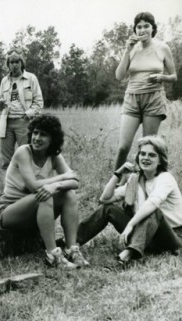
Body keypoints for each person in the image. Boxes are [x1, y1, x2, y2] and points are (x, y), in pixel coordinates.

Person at [0, 114, 89, 269]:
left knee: (69, 194)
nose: (37, 138)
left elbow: (75, 181)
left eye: (43, 135)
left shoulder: (54, 156)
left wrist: (56, 186)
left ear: (53, 139)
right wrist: (61, 178)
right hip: (11, 211)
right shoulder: (23, 152)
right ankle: (53, 255)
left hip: (35, 211)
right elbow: (33, 186)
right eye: (35, 132)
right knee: (44, 196)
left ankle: (72, 249)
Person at [77, 136, 182, 264]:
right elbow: (105, 199)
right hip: (145, 235)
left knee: (153, 210)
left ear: (160, 160)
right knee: (108, 209)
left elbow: (153, 203)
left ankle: (126, 255)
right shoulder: (136, 179)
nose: (145, 158)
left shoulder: (165, 178)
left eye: (152, 155)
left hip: (170, 236)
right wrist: (117, 174)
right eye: (142, 154)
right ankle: (71, 242)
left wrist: (130, 225)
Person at [114, 12, 177, 171]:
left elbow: (174, 76)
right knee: (123, 147)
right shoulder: (132, 48)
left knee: (147, 147)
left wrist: (161, 77)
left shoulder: (162, 47)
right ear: (135, 30)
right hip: (132, 99)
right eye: (139, 26)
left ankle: (145, 182)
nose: (142, 30)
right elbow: (119, 76)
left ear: (153, 28)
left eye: (146, 26)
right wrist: (127, 51)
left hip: (153, 99)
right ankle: (115, 181)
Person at [0, 48, 43, 170]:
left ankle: (28, 185)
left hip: (24, 122)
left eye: (17, 62)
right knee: (7, 159)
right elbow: (0, 100)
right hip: (6, 123)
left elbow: (39, 102)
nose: (14, 65)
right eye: (12, 62)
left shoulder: (31, 78)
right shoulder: (4, 81)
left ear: (22, 63)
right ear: (8, 64)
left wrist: (27, 115)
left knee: (26, 156)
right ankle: (9, 186)